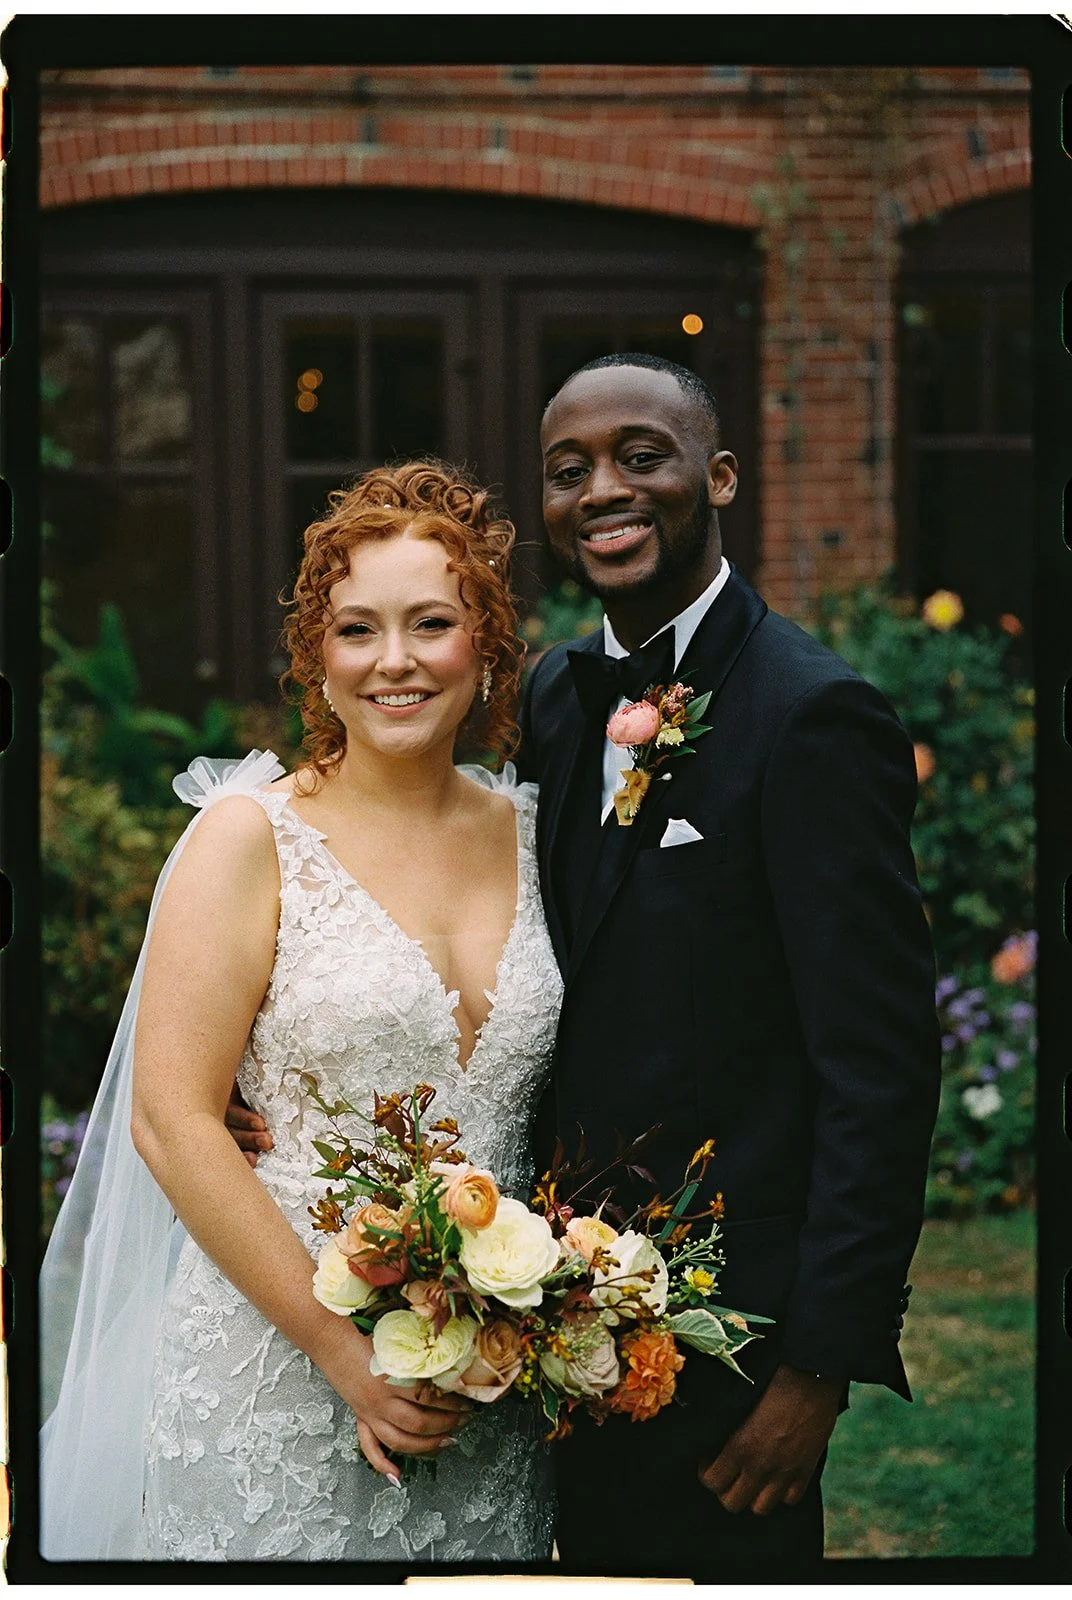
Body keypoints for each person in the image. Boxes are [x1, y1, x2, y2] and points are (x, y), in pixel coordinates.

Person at [39, 461, 563, 1563]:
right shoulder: (250, 839)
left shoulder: (537, 834)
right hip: (274, 1371)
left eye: (432, 622)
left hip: (488, 1382)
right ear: (316, 657)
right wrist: (342, 1352)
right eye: (357, 629)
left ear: (487, 643)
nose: (396, 661)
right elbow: (172, 1119)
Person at [517, 353, 941, 1580]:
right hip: (534, 1306)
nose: (603, 488)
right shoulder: (553, 692)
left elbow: (878, 1062)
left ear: (718, 475)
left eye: (638, 455)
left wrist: (817, 1365)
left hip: (729, 1340)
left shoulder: (814, 715)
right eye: (568, 469)